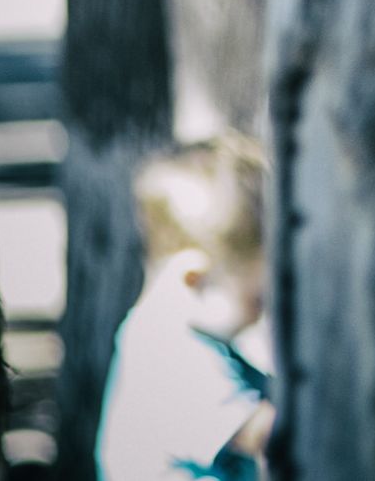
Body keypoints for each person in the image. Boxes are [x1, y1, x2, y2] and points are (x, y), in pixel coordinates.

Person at [94, 134, 274, 481]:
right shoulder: (167, 352)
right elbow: (268, 433)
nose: (265, 312)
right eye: (257, 298)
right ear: (194, 278)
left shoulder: (191, 336)